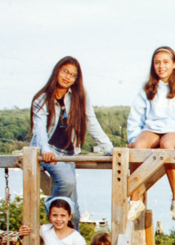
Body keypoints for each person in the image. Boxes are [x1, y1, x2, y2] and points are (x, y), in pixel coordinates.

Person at [29, 56, 113, 227]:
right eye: (65, 71)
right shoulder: (42, 98)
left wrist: (109, 148)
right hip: (48, 151)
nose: (67, 76)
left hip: (69, 154)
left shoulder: (79, 95)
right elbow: (39, 129)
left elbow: (90, 121)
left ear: (76, 79)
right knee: (67, 181)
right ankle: (51, 209)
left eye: (73, 75)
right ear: (57, 71)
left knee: (73, 213)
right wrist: (45, 150)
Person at [127, 46, 175, 222]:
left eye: (166, 62)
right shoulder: (148, 88)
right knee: (139, 146)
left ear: (174, 64)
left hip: (173, 131)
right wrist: (133, 138)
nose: (161, 66)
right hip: (152, 130)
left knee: (167, 147)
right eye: (157, 62)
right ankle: (134, 199)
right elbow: (135, 117)